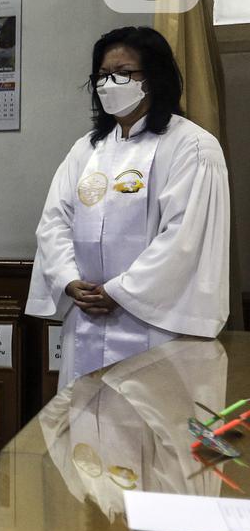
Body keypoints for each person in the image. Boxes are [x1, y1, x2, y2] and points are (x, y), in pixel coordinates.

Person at [27, 26, 229, 385]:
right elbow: (54, 222)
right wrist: (69, 280)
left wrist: (120, 291)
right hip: (87, 315)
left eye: (123, 74)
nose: (110, 83)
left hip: (154, 323)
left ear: (153, 78)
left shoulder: (192, 147)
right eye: (103, 75)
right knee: (86, 429)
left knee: (147, 430)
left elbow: (185, 237)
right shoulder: (86, 150)